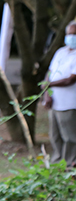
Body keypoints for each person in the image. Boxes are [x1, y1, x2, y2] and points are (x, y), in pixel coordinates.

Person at [43, 20, 76, 167]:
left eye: (75, 34)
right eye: (70, 34)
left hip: (69, 103)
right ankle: (57, 164)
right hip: (54, 102)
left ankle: (70, 165)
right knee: (55, 136)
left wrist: (49, 85)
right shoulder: (60, 52)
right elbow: (49, 73)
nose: (71, 37)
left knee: (70, 137)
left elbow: (71, 79)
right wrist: (47, 94)